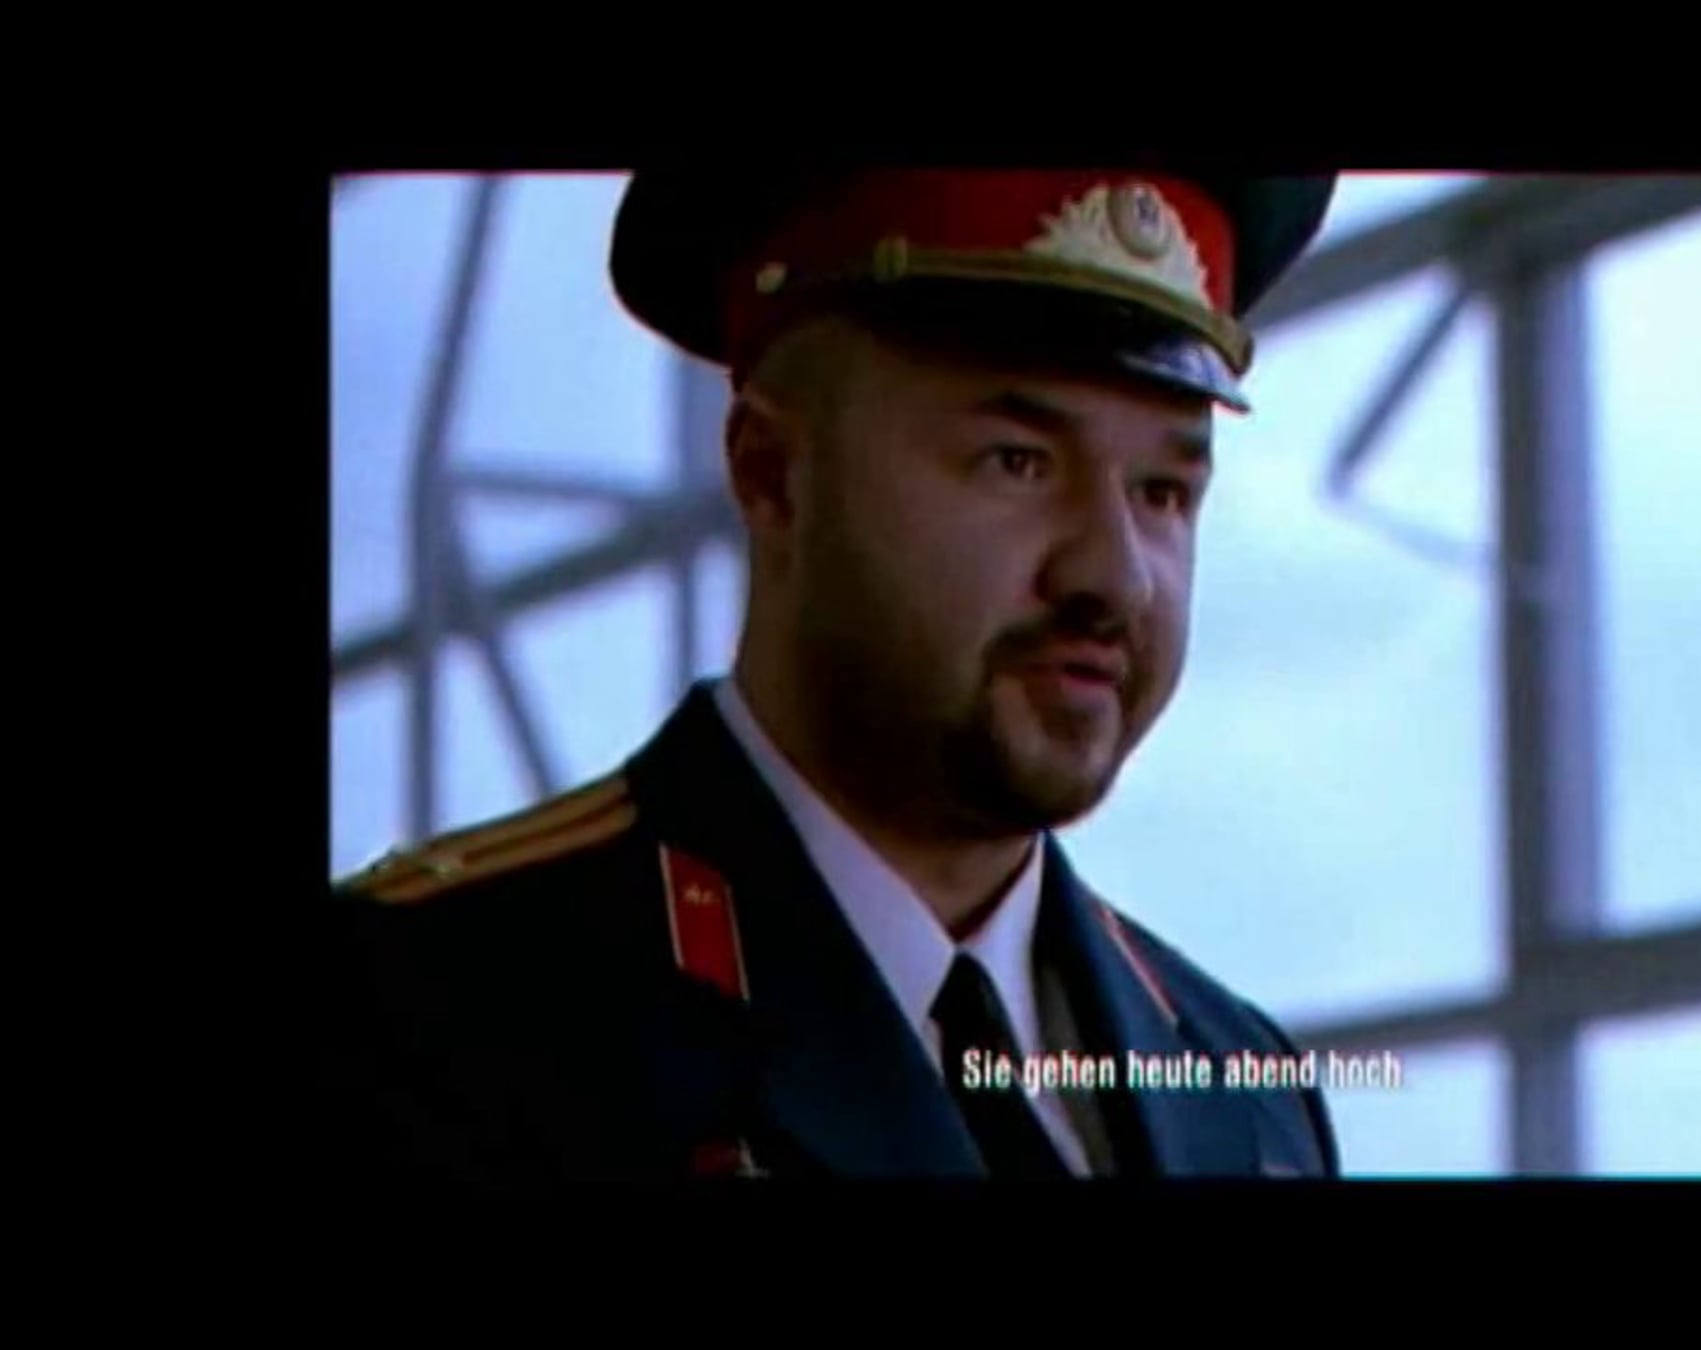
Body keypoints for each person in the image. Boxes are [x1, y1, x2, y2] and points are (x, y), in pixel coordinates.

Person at [315, 168, 1343, 1180]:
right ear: (772, 474)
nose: (1113, 577)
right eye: (1018, 461)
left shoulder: (1247, 1090)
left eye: (1163, 492)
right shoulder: (421, 1014)